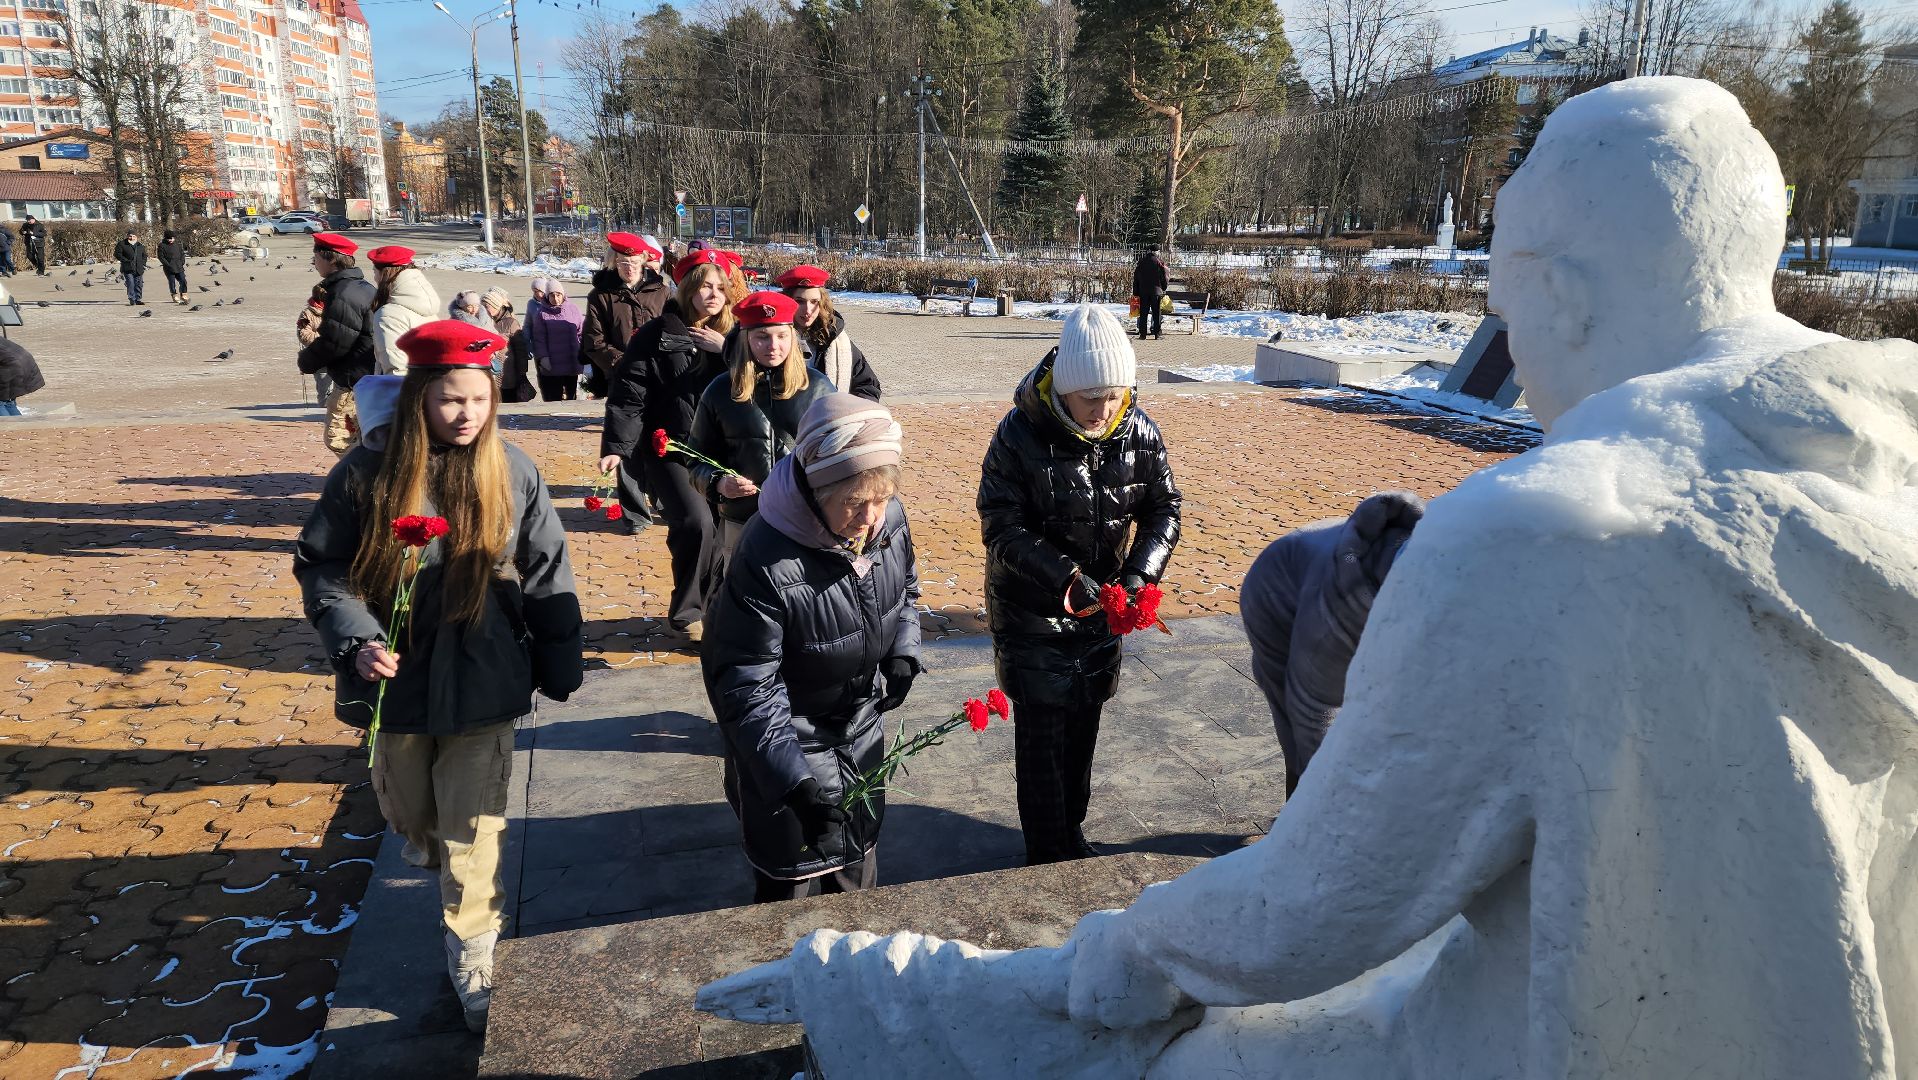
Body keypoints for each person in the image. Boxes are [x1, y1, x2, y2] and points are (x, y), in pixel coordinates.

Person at [293, 318, 583, 1034]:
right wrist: (356, 640)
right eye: (452, 400)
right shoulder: (368, 473)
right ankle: (443, 871)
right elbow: (323, 565)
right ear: (421, 396)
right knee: (414, 822)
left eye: (480, 400)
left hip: (485, 676)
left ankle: (474, 956)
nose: (467, 415)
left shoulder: (513, 468)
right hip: (396, 680)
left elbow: (548, 568)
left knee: (471, 834)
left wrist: (558, 656)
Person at [977, 303, 1181, 865]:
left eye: (1114, 396)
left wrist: (1139, 575)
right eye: (1091, 397)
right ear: (1063, 388)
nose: (1104, 409)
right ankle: (1046, 852)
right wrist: (1065, 576)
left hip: (1101, 612)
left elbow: (1165, 507)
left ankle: (1073, 832)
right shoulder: (1018, 434)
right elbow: (1001, 523)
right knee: (1042, 736)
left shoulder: (1136, 430)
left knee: (1084, 726)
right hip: (1031, 609)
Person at [701, 394, 918, 903]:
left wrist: (903, 648)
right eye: (853, 502)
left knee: (856, 888)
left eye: (880, 499)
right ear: (817, 489)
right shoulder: (766, 556)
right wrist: (794, 784)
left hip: (860, 734)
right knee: (789, 900)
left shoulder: (888, 520)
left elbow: (905, 584)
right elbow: (746, 683)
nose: (869, 517)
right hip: (786, 748)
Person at [1240, 492, 1421, 797]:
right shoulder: (1337, 611)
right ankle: (1299, 817)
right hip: (1275, 592)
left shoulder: (1442, 567)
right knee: (1296, 722)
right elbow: (1314, 710)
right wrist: (1331, 800)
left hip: (1331, 566)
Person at [599, 249, 734, 631]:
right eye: (706, 286)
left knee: (729, 528)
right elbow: (629, 392)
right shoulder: (657, 335)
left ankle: (720, 606)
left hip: (724, 451)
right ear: (688, 287)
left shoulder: (735, 335)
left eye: (720, 287)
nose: (713, 295)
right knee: (696, 522)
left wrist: (726, 351)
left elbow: (763, 381)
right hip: (671, 449)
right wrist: (616, 446)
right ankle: (690, 612)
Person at [686, 290, 834, 593]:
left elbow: (840, 453)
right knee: (742, 598)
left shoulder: (818, 387)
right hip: (742, 520)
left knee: (802, 598)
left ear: (793, 336)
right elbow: (695, 457)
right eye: (762, 337)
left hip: (804, 520)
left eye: (781, 336)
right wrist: (718, 483)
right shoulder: (719, 391)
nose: (773, 346)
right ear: (745, 339)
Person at [296, 233, 378, 456]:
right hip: (365, 374)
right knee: (362, 436)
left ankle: (364, 483)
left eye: (316, 258)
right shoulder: (360, 286)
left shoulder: (343, 294)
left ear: (331, 259)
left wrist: (307, 360)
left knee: (338, 437)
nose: (314, 264)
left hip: (353, 378)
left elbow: (336, 341)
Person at [580, 231, 668, 400]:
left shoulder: (661, 292)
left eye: (635, 263)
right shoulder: (600, 295)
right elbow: (594, 341)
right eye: (623, 263)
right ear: (614, 262)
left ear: (643, 261)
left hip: (658, 374)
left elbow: (673, 331)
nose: (629, 269)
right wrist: (623, 362)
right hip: (620, 376)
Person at [776, 265, 880, 401]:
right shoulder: (772, 338)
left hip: (828, 418)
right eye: (800, 301)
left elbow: (868, 386)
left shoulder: (835, 338)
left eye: (814, 302)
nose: (808, 310)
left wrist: (849, 414)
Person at [368, 245, 441, 377]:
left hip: (405, 392)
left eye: (375, 272)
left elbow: (396, 371)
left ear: (384, 273)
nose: (374, 278)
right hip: (429, 385)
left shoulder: (389, 315)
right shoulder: (424, 301)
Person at [525, 279, 585, 402]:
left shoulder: (573, 309)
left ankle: (572, 418)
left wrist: (584, 352)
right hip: (553, 364)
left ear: (563, 294)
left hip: (571, 360)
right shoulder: (542, 314)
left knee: (571, 395)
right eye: (552, 295)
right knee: (555, 397)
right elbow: (539, 339)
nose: (556, 298)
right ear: (547, 296)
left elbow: (582, 332)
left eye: (558, 295)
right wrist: (543, 358)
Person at [480, 288, 537, 404]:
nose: (484, 310)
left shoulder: (511, 323)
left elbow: (520, 350)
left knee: (508, 403)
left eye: (487, 306)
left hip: (508, 373)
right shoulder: (483, 322)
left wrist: (522, 373)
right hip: (489, 372)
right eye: (483, 306)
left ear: (496, 306)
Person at [0, 336, 44, 415]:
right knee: (8, 402)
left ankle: (7, 426)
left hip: (11, 367)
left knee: (1, 402)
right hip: (25, 364)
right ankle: (19, 425)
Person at [1131, 248, 1168, 341]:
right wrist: (1163, 288)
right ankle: (1157, 334)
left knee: (1143, 313)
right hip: (1156, 292)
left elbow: (1136, 278)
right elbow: (1163, 277)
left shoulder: (1141, 262)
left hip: (1143, 292)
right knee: (1156, 313)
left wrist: (1136, 292)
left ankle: (1142, 334)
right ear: (1157, 252)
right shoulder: (1159, 262)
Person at [113, 229, 147, 306]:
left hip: (138, 268)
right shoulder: (121, 244)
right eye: (130, 236)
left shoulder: (140, 245)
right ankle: (132, 299)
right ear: (127, 236)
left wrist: (143, 263)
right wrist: (125, 260)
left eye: (134, 236)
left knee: (139, 284)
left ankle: (138, 299)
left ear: (137, 237)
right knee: (130, 283)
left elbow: (144, 256)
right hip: (127, 267)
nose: (132, 238)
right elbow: (117, 254)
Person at [156, 229, 187, 305]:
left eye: (172, 238)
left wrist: (182, 262)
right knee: (172, 282)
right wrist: (167, 265)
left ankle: (183, 293)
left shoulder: (178, 244)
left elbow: (182, 254)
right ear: (165, 238)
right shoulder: (161, 245)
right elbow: (161, 257)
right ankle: (174, 294)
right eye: (169, 238)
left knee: (183, 280)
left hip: (179, 266)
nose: (171, 240)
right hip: (169, 267)